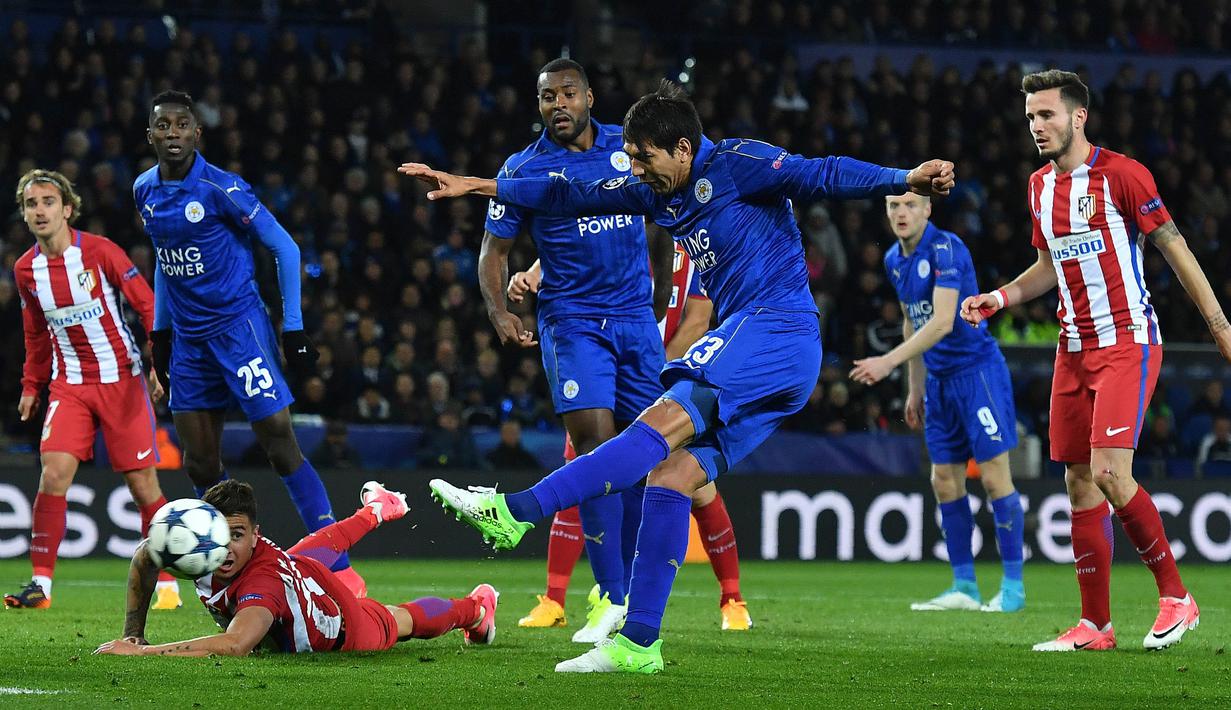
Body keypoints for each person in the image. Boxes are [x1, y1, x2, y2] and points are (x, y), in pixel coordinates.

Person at [401, 79, 954, 673]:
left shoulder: (739, 164)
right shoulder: (656, 191)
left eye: (644, 158)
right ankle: (639, 644)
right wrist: (478, 185)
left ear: (683, 149)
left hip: (775, 328)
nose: (635, 170)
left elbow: (824, 173)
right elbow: (569, 192)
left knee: (654, 425)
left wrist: (905, 178)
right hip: (771, 357)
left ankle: (515, 512)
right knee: (671, 475)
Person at [962, 69, 1230, 651]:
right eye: (1031, 117)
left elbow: (1176, 249)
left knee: (1109, 472)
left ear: (1078, 116)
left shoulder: (1124, 175)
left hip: (1127, 341)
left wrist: (1219, 325)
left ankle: (1176, 596)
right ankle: (1096, 626)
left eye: (1047, 114)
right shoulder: (1038, 187)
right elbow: (1048, 267)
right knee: (1079, 481)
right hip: (1073, 349)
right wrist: (999, 298)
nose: (1037, 126)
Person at [132, 90, 365, 597]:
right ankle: (226, 563)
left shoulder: (222, 187)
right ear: (150, 135)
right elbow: (166, 262)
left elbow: (285, 246)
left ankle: (340, 566)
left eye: (182, 125)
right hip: (189, 343)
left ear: (198, 133)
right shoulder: (144, 190)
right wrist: (160, 333)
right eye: (163, 126)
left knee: (278, 439)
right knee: (199, 462)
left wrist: (293, 327)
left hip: (240, 330)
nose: (173, 134)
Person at [476, 59, 673, 644]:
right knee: (594, 444)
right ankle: (611, 597)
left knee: (644, 457)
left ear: (589, 97)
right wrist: (499, 311)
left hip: (636, 322)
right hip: (572, 322)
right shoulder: (524, 168)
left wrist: (660, 294)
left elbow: (663, 218)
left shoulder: (629, 148)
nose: (557, 104)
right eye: (546, 97)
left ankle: (628, 593)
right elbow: (493, 252)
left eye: (567, 93)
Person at [511, 242, 753, 631]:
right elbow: (572, 233)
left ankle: (732, 599)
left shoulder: (697, 242)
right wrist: (533, 274)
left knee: (697, 487)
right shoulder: (622, 227)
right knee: (584, 472)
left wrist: (657, 374)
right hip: (607, 370)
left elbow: (697, 321)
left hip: (662, 377)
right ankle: (555, 600)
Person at [6, 169, 181, 611]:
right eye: (31, 204)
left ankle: (167, 585)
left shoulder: (100, 252)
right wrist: (31, 385)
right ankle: (40, 585)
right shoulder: (26, 270)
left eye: (48, 201)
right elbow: (35, 334)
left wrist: (159, 363)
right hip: (70, 386)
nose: (40, 210)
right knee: (53, 475)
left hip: (121, 381)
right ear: (24, 214)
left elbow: (147, 305)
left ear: (67, 209)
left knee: (142, 486)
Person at [849, 192, 1025, 613]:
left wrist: (889, 361)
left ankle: (1013, 588)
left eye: (910, 205)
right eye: (893, 205)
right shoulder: (893, 259)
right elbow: (912, 320)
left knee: (994, 478)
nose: (901, 212)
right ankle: (964, 586)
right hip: (939, 383)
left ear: (928, 209)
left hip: (977, 374)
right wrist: (915, 387)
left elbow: (944, 321)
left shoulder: (947, 248)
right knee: (943, 479)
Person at [95, 480, 499, 656]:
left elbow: (235, 645)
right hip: (297, 571)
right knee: (307, 552)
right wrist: (134, 633)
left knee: (399, 619)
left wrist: (141, 653)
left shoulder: (261, 583)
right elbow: (145, 556)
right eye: (222, 535)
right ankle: (377, 510)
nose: (228, 547)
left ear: (256, 534)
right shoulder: (202, 543)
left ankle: (477, 609)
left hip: (342, 626)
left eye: (239, 535)